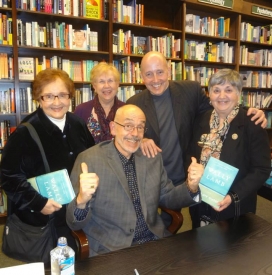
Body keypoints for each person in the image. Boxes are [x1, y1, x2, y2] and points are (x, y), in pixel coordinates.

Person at [126, 51, 267, 226]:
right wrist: (141, 139)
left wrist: (251, 111)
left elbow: (223, 103)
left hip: (203, 187)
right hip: (166, 179)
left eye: (160, 72)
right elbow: (126, 133)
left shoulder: (190, 91)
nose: (155, 79)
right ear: (141, 77)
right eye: (149, 74)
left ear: (169, 71)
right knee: (158, 229)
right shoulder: (134, 102)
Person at [66, 104, 203, 257]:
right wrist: (81, 201)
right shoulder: (89, 160)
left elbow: (167, 197)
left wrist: (190, 187)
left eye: (140, 127)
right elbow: (74, 223)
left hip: (154, 240)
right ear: (113, 127)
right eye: (128, 125)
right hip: (112, 249)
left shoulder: (151, 156)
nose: (135, 133)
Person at [0, 68, 95, 260]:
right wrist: (38, 202)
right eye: (49, 96)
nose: (57, 102)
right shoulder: (25, 132)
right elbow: (7, 176)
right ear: (39, 98)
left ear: (70, 96)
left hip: (77, 211)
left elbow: (92, 157)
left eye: (62, 95)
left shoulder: (78, 124)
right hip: (45, 220)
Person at [187, 69, 271, 228]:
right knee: (200, 247)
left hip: (234, 206)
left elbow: (262, 169)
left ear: (239, 93)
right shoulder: (201, 121)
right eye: (216, 90)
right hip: (201, 202)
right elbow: (191, 153)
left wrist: (233, 196)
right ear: (209, 94)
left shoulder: (252, 123)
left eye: (229, 90)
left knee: (233, 250)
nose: (222, 96)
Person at [74, 62, 125, 143]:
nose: (106, 86)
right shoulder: (81, 110)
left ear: (117, 84)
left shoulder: (127, 110)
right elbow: (76, 142)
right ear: (94, 86)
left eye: (110, 81)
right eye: (101, 81)